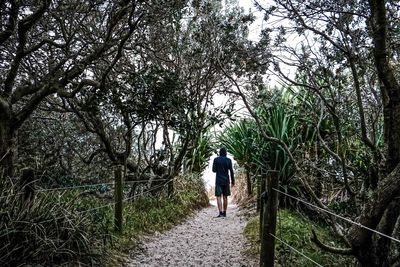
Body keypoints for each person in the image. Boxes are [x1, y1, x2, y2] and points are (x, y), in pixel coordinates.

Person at [212, 147, 234, 217]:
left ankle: (220, 212)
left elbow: (214, 170)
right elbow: (231, 171)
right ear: (226, 153)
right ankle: (224, 212)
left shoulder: (216, 159)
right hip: (226, 181)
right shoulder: (229, 160)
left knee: (218, 196)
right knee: (225, 197)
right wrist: (233, 181)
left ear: (219, 153)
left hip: (218, 180)